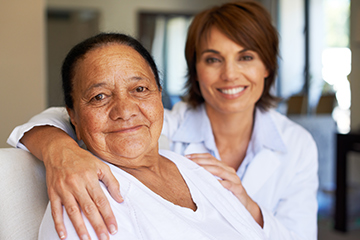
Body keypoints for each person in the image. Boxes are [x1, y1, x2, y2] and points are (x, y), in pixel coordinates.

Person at [8, 1, 318, 240]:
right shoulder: (155, 126)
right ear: (195, 70)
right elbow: (63, 118)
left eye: (246, 57)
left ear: (268, 66)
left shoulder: (294, 145)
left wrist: (248, 207)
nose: (230, 74)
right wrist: (62, 152)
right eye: (212, 59)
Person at [38, 32, 266, 240]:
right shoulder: (85, 202)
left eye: (139, 89)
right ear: (73, 117)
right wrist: (56, 146)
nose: (125, 110)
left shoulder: (200, 171)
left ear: (159, 97)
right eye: (99, 96)